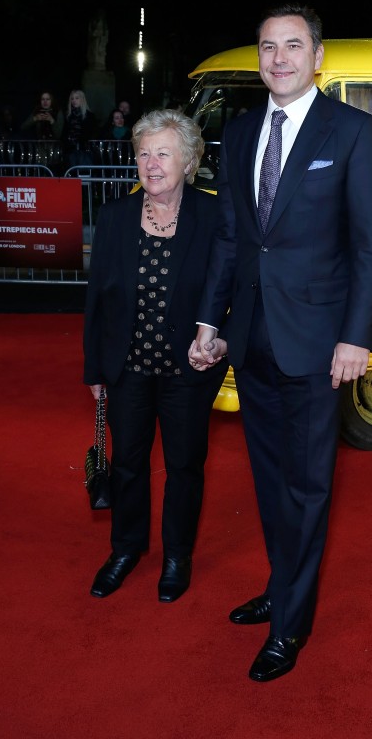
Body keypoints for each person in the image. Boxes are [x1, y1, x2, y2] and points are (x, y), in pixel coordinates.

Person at [189, 3, 372, 682]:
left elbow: (370, 246)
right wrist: (210, 321)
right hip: (251, 338)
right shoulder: (241, 132)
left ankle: (291, 626)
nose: (279, 58)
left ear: (318, 56)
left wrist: (356, 336)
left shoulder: (354, 132)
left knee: (308, 487)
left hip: (319, 343)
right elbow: (231, 238)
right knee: (272, 482)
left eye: (293, 45)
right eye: (268, 47)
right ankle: (284, 587)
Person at [83, 108, 228, 604]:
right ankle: (125, 549)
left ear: (188, 160)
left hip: (190, 368)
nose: (152, 163)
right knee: (127, 463)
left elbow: (233, 289)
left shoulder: (213, 215)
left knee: (186, 464)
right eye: (143, 153)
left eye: (163, 153)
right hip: (128, 366)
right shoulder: (116, 217)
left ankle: (176, 555)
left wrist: (221, 339)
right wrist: (95, 370)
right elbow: (97, 298)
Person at [62, 89, 98, 169]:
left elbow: (92, 133)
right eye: (72, 98)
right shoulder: (68, 116)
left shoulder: (90, 116)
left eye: (77, 98)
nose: (74, 100)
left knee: (84, 171)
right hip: (70, 150)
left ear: (82, 99)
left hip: (85, 150)